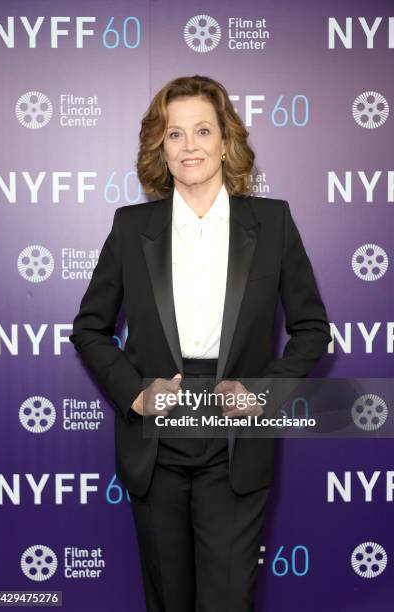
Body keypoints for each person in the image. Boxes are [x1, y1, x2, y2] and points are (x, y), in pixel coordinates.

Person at [69, 74, 332, 611]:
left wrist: (261, 391)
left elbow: (312, 330)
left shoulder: (272, 222)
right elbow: (89, 328)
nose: (190, 146)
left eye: (203, 130)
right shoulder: (130, 227)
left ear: (225, 141)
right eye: (174, 134)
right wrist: (138, 394)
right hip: (157, 440)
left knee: (228, 601)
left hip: (235, 440)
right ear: (159, 149)